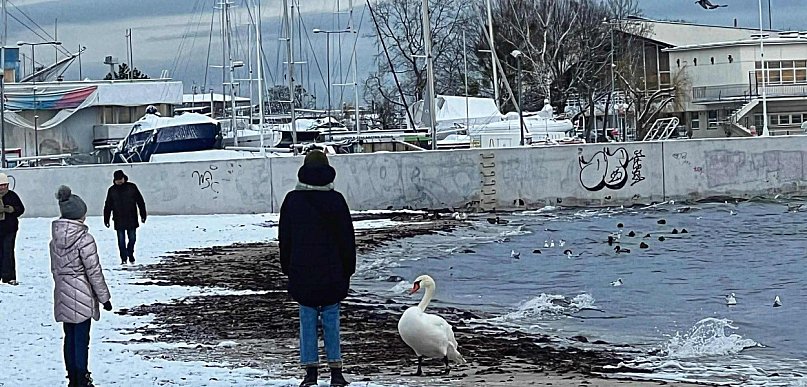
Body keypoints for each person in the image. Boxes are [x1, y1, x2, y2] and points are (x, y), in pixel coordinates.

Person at [279, 150, 356, 387]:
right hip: (333, 271)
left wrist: (288, 268)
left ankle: (310, 373)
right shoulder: (337, 200)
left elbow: (285, 238)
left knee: (307, 319)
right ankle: (336, 372)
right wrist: (348, 270)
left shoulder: (292, 200)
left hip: (302, 270)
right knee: (331, 318)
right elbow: (347, 240)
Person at [50, 185, 112, 387]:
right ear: (78, 215)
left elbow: (55, 269)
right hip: (83, 293)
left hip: (63, 292)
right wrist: (104, 298)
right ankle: (82, 378)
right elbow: (94, 271)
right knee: (81, 340)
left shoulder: (55, 240)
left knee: (69, 337)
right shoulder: (85, 239)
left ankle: (73, 378)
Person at [103, 170, 147, 264]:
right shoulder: (112, 190)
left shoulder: (132, 187)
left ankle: (130, 253)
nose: (119, 181)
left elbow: (140, 201)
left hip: (131, 218)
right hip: (118, 219)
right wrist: (106, 219)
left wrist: (143, 214)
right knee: (121, 241)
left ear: (124, 178)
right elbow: (108, 205)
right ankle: (123, 258)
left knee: (132, 239)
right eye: (117, 180)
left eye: (121, 179)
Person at [0, 172, 24, 285]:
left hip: (10, 229)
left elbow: (21, 209)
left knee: (8, 252)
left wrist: (12, 209)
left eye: (5, 185)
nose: (3, 187)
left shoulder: (12, 196)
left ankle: (9, 277)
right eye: (1, 185)